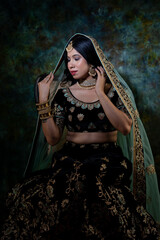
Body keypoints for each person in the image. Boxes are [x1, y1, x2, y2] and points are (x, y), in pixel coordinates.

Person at [1, 33, 160, 239]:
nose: (71, 65)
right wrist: (42, 100)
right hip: (70, 160)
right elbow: (52, 138)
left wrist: (100, 92)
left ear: (91, 59)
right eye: (68, 60)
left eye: (77, 58)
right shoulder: (63, 94)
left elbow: (125, 127)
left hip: (106, 162)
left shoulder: (112, 92)